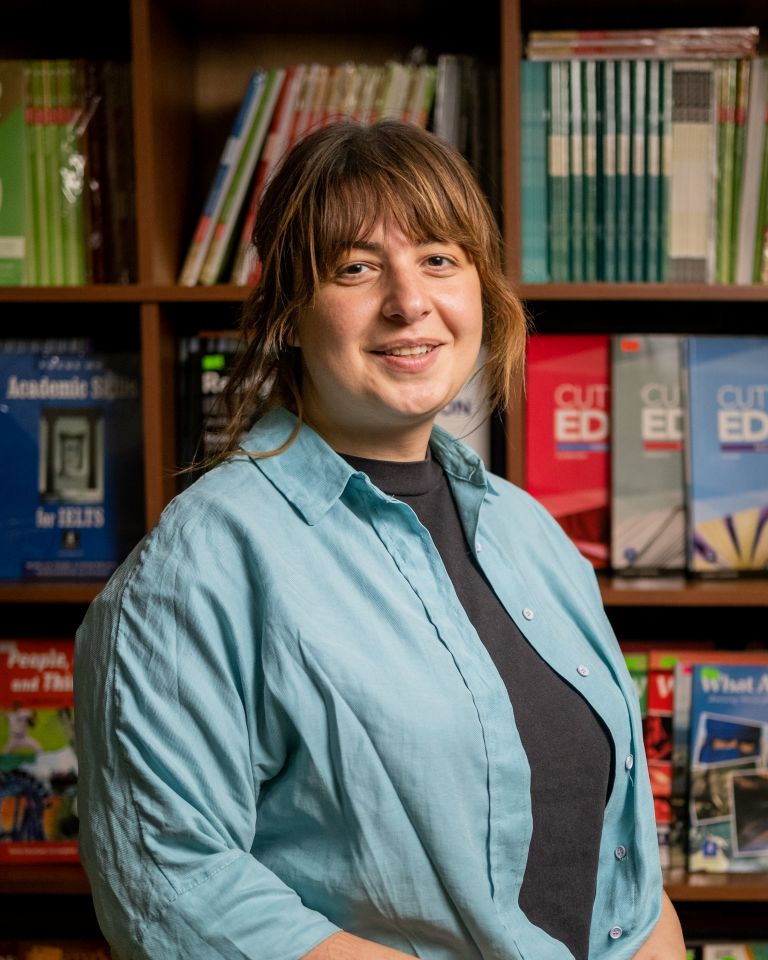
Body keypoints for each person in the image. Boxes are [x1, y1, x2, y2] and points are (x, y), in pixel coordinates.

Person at [74, 119, 686, 960]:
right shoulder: (200, 565)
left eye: (439, 258)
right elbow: (171, 887)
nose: (409, 301)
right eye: (356, 268)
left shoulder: (527, 530)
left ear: (480, 290)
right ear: (289, 315)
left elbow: (627, 876)